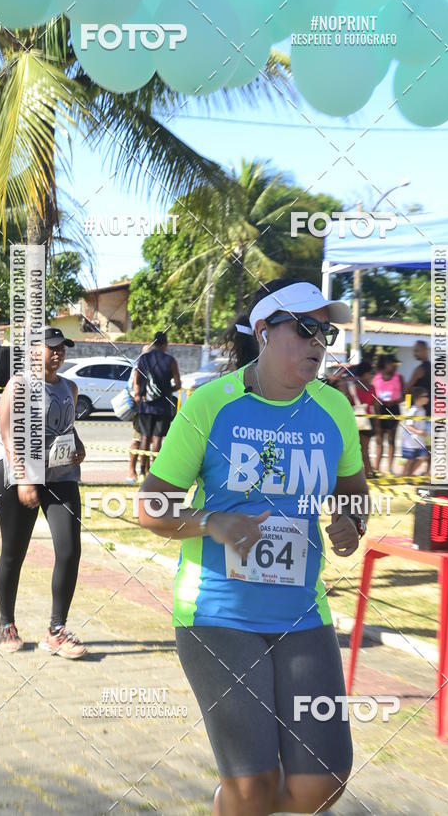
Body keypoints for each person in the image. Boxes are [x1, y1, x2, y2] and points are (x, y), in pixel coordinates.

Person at [138, 278, 367, 816]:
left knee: (324, 779)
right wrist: (214, 523)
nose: (319, 342)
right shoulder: (212, 404)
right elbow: (151, 507)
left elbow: (355, 491)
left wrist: (350, 525)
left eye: (326, 332)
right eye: (305, 328)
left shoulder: (333, 408)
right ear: (264, 332)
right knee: (253, 784)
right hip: (218, 611)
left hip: (301, 613)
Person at [0, 326, 87, 658]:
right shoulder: (18, 386)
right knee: (14, 553)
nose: (58, 353)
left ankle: (56, 631)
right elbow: (8, 435)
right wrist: (24, 479)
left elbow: (68, 428)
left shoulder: (70, 388)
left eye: (63, 348)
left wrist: (80, 449)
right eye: (52, 347)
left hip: (61, 478)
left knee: (70, 549)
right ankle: (5, 624)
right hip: (18, 477)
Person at [127, 331, 181, 482]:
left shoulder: (144, 358)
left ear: (153, 343)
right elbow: (178, 384)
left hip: (145, 405)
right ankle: (153, 471)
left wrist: (139, 396)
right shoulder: (170, 360)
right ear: (165, 344)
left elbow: (137, 381)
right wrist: (166, 391)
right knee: (158, 439)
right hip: (163, 406)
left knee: (145, 436)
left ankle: (142, 469)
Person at [372, 353, 404, 474]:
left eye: (397, 365)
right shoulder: (377, 377)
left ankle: (390, 468)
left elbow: (404, 394)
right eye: (393, 364)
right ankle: (376, 468)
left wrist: (394, 400)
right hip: (380, 409)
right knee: (379, 440)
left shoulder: (398, 377)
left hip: (394, 408)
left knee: (391, 440)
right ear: (386, 364)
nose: (396, 367)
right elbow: (373, 394)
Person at [348, 361, 376, 478]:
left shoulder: (352, 387)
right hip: (367, 421)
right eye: (370, 373)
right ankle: (368, 472)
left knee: (356, 450)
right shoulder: (371, 388)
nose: (372, 376)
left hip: (355, 421)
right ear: (365, 373)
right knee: (364, 449)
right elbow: (375, 406)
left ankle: (363, 472)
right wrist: (377, 425)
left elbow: (348, 404)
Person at [401, 387, 430, 477]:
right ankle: (405, 476)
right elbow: (408, 426)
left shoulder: (422, 410)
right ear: (418, 398)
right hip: (411, 440)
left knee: (423, 457)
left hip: (419, 439)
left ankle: (409, 474)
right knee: (410, 459)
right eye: (425, 396)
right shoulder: (413, 410)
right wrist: (418, 432)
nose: (427, 398)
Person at [404, 340, 432, 418]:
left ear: (424, 350)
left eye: (417, 351)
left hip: (418, 411)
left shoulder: (420, 370)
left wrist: (407, 407)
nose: (414, 354)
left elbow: (406, 390)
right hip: (430, 409)